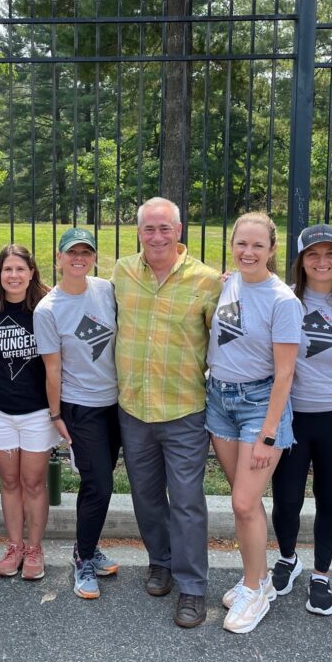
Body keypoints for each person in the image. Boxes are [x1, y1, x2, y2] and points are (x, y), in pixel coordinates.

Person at [111, 197, 221, 629]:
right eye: (149, 229)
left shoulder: (208, 281)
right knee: (146, 495)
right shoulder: (121, 273)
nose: (157, 236)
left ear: (179, 230)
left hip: (184, 409)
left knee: (188, 501)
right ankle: (160, 561)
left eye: (165, 228)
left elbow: (229, 335)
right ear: (139, 231)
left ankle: (192, 587)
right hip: (134, 408)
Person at [268, 224, 332, 616]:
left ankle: (322, 575)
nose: (322, 261)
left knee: (329, 497)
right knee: (287, 497)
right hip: (292, 415)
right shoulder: (284, 300)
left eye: (331, 254)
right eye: (313, 254)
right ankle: (288, 557)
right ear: (300, 260)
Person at [208, 211, 302, 635]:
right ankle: (259, 577)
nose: (248, 252)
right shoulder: (229, 281)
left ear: (272, 250)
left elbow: (285, 374)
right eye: (241, 243)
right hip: (219, 399)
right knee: (246, 500)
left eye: (257, 245)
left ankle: (255, 589)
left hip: (259, 404)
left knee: (243, 503)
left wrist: (268, 434)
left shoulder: (283, 301)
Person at [35, 228, 121, 600]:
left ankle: (90, 545)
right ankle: (82, 556)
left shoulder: (106, 290)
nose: (79, 258)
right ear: (59, 258)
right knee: (98, 483)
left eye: (86, 252)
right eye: (72, 252)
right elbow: (52, 369)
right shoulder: (48, 309)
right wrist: (56, 415)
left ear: (94, 257)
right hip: (80, 406)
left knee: (102, 482)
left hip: (116, 404)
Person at [0, 244, 58, 580]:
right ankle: (14, 546)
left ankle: (35, 549)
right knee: (9, 481)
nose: (13, 276)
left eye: (20, 269)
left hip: (38, 411)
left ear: (32, 272)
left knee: (34, 482)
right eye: (7, 270)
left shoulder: (46, 305)